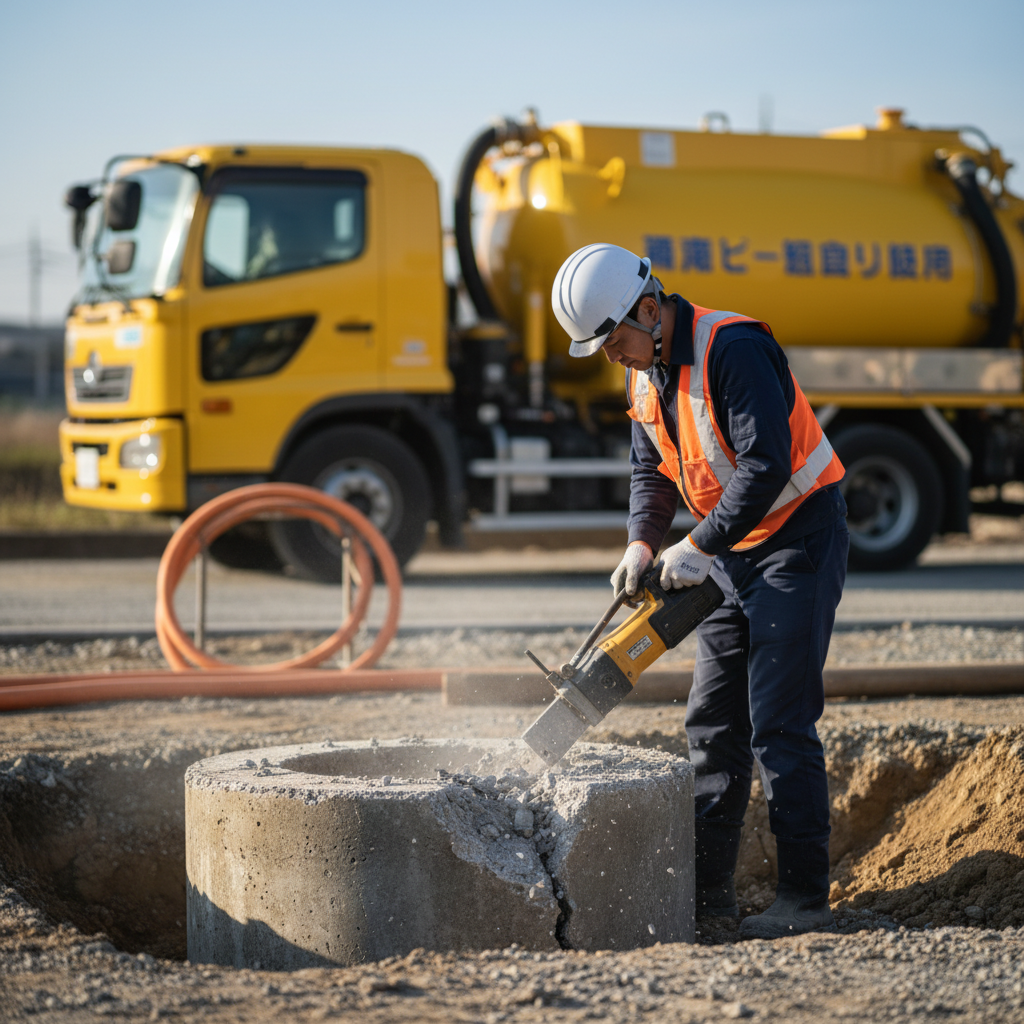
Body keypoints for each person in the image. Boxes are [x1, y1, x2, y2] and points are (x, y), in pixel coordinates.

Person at [551, 243, 849, 939]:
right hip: (729, 553)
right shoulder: (644, 371)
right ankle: (709, 895)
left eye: (612, 339)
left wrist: (697, 545)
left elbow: (767, 464)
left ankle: (804, 900)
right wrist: (642, 543)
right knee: (713, 726)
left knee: (779, 722)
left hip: (796, 542)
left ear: (648, 309)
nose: (609, 356)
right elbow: (650, 472)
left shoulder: (732, 347)